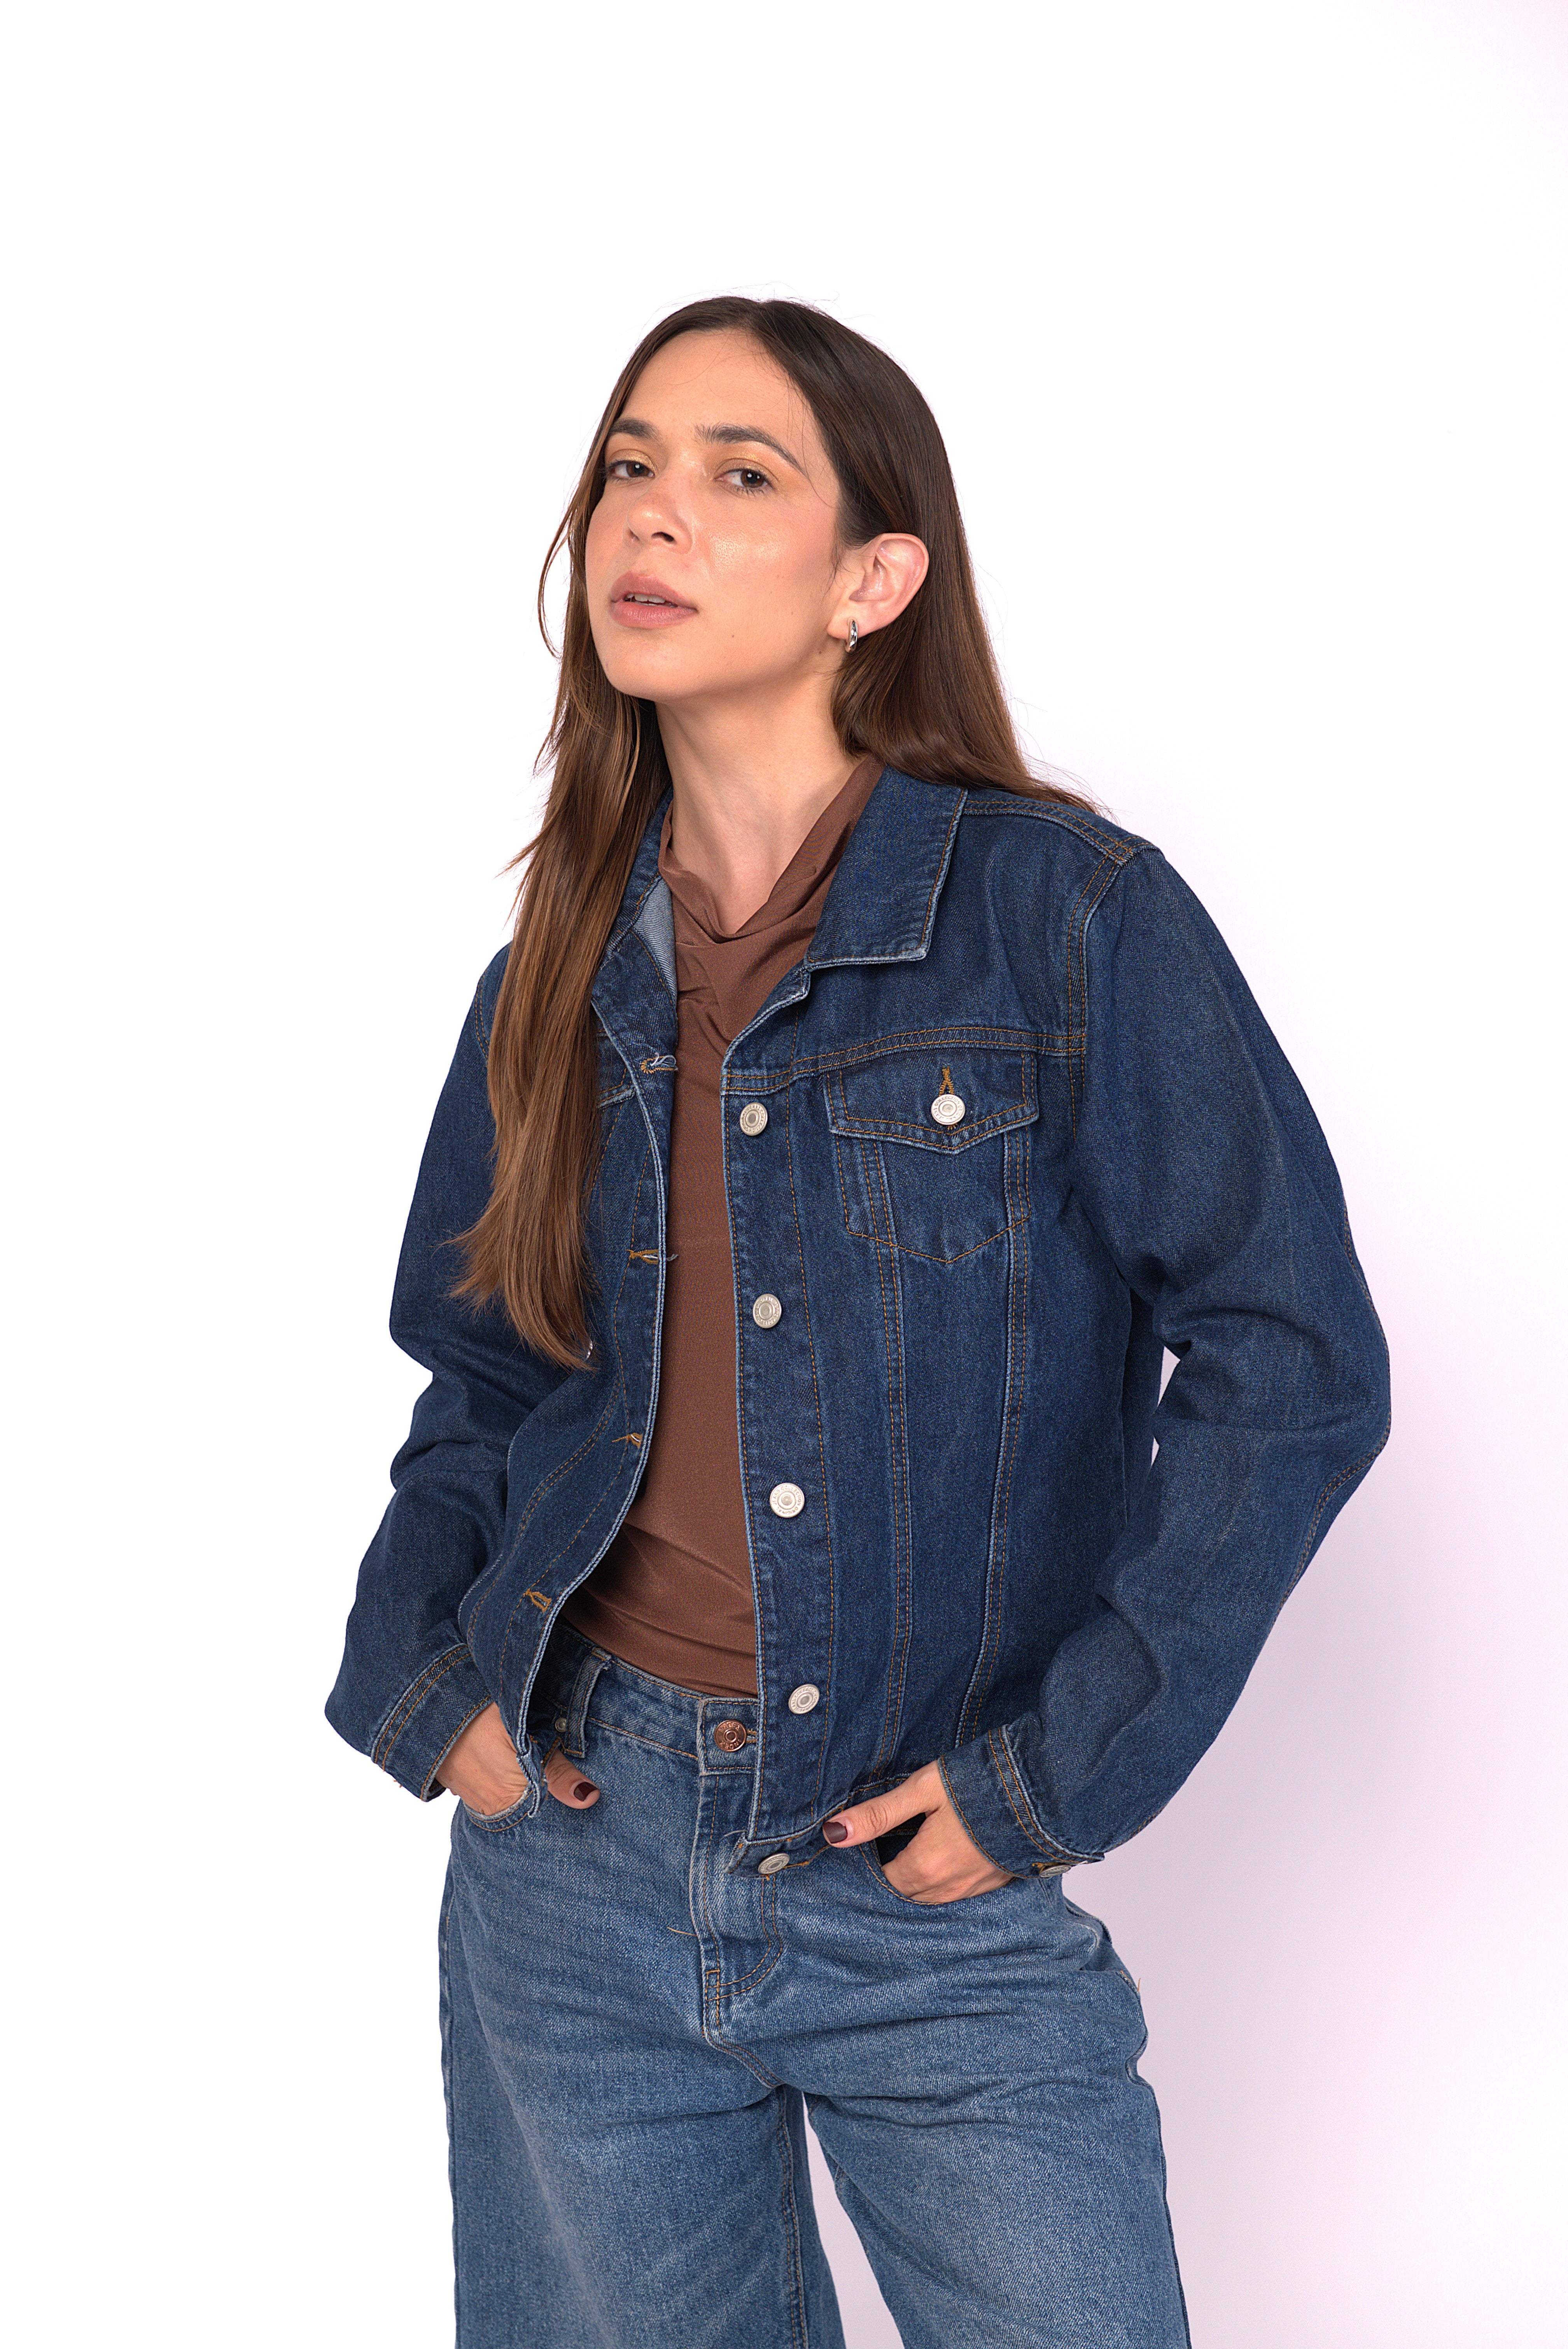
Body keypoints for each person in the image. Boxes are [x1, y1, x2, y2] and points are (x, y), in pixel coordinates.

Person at [326, 295, 1390, 2348]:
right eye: (631, 466)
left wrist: (1056, 1770)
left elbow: (1293, 1358)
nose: (655, 515)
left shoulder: (1066, 918)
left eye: (742, 475)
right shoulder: (557, 968)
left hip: (915, 1863)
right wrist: (430, 1676)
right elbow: (484, 1369)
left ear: (872, 581)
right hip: (574, 1861)